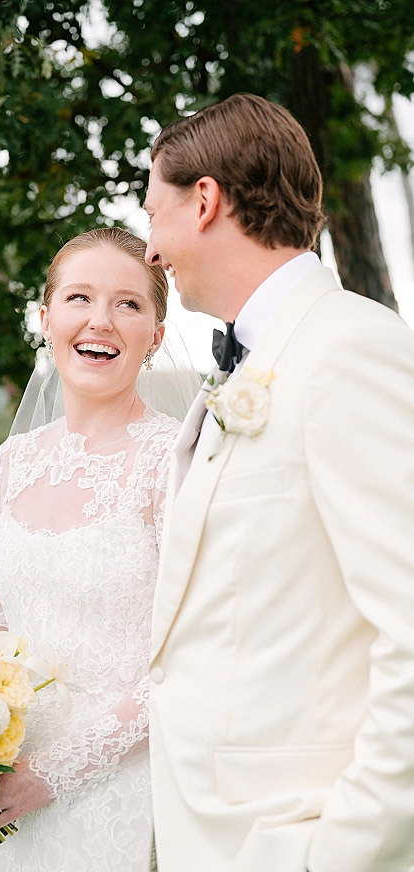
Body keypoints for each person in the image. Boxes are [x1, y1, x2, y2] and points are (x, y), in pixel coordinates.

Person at [143, 93, 414, 872]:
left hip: (295, 838)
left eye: (153, 215)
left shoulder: (352, 351)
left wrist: (340, 854)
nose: (152, 253)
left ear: (204, 201)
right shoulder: (239, 371)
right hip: (213, 838)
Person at [0, 227, 193, 871]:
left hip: (122, 789)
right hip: (1, 775)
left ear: (156, 334)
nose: (100, 320)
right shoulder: (14, 460)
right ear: (45, 318)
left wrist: (52, 775)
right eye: (79, 297)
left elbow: (188, 656)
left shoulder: (174, 459)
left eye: (128, 304)